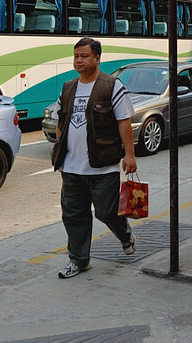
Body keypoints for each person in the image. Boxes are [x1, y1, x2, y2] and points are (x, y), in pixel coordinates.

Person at [51, 37, 138, 278]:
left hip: (103, 166)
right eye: (76, 56)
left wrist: (129, 155)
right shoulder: (68, 87)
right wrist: (60, 149)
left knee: (107, 211)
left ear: (97, 58)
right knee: (73, 215)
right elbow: (61, 120)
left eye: (84, 56)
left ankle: (124, 233)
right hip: (71, 167)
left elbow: (124, 122)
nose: (78, 60)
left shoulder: (111, 85)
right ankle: (79, 260)